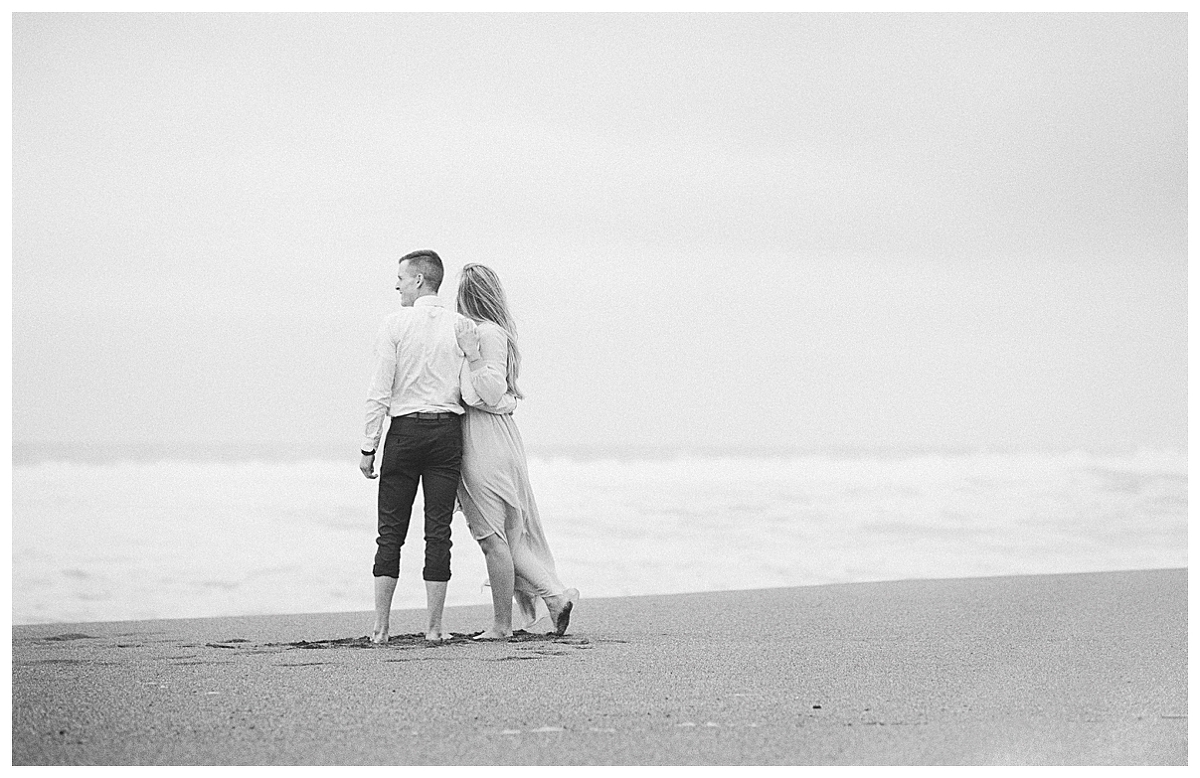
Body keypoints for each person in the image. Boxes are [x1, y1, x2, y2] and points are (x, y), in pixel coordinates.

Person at [453, 263, 579, 640]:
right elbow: (498, 395)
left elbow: (484, 392)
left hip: (482, 439)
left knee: (493, 537)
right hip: (500, 436)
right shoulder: (498, 334)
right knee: (511, 536)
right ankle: (554, 597)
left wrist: (471, 359)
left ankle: (506, 623)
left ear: (468, 296)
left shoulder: (483, 335)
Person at [360, 249, 475, 643]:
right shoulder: (460, 326)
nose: (397, 285)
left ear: (420, 281)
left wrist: (368, 445)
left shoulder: (394, 325)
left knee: (390, 531)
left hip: (405, 433)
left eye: (401, 278)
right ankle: (435, 628)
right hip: (446, 435)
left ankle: (381, 627)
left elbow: (380, 390)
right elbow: (471, 388)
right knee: (438, 531)